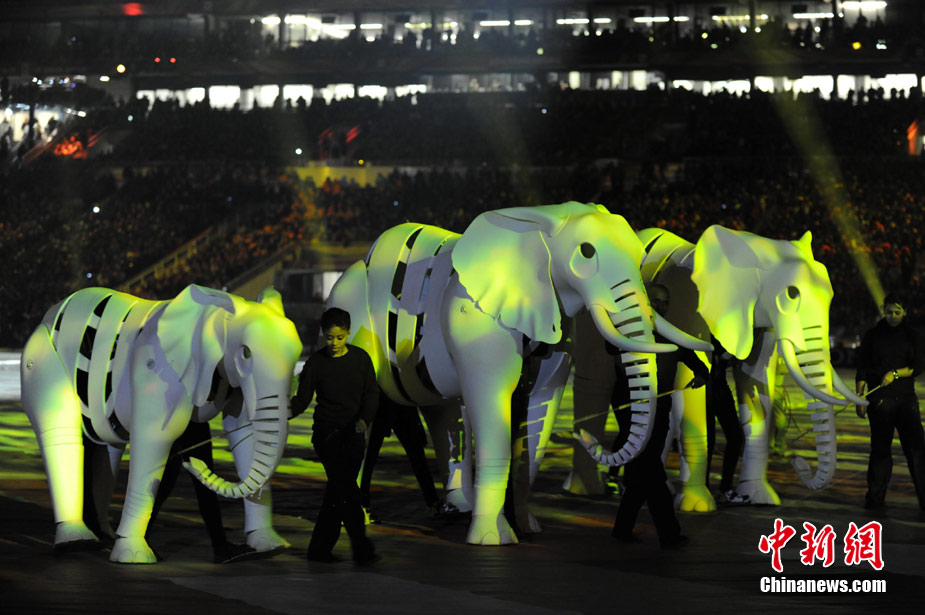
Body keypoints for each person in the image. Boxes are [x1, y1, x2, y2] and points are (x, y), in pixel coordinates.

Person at [612, 283, 709, 547]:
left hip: (659, 414)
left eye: (665, 302)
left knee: (642, 473)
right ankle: (668, 533)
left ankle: (624, 528)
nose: (661, 307)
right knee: (652, 473)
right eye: (656, 301)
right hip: (634, 413)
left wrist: (701, 376)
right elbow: (612, 350)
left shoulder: (671, 335)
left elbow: (698, 364)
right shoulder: (630, 331)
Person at [291, 307, 379, 564]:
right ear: (323, 334)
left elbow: (372, 394)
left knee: (338, 492)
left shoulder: (361, 359)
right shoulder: (315, 363)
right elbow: (302, 400)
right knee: (347, 491)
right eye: (329, 337)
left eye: (339, 337)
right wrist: (279, 413)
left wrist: (364, 420)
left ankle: (319, 550)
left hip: (354, 435)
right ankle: (361, 548)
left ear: (348, 333)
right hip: (326, 435)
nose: (334, 343)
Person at [855, 292, 925, 512]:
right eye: (889, 312)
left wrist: (895, 374)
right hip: (879, 401)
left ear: (905, 312)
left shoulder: (912, 335)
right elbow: (862, 369)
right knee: (880, 451)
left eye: (897, 312)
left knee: (916, 451)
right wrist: (859, 396)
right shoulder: (873, 335)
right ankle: (875, 500)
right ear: (882, 310)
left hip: (905, 400)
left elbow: (918, 367)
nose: (893, 316)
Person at [359, 396, 443, 523]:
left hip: (391, 401)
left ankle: (362, 505)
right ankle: (433, 502)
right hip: (397, 401)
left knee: (369, 459)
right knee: (369, 458)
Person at [705, 337, 748, 504]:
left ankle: (726, 488)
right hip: (704, 390)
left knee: (735, 437)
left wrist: (728, 357)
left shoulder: (721, 334)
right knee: (707, 441)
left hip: (720, 388)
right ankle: (704, 487)